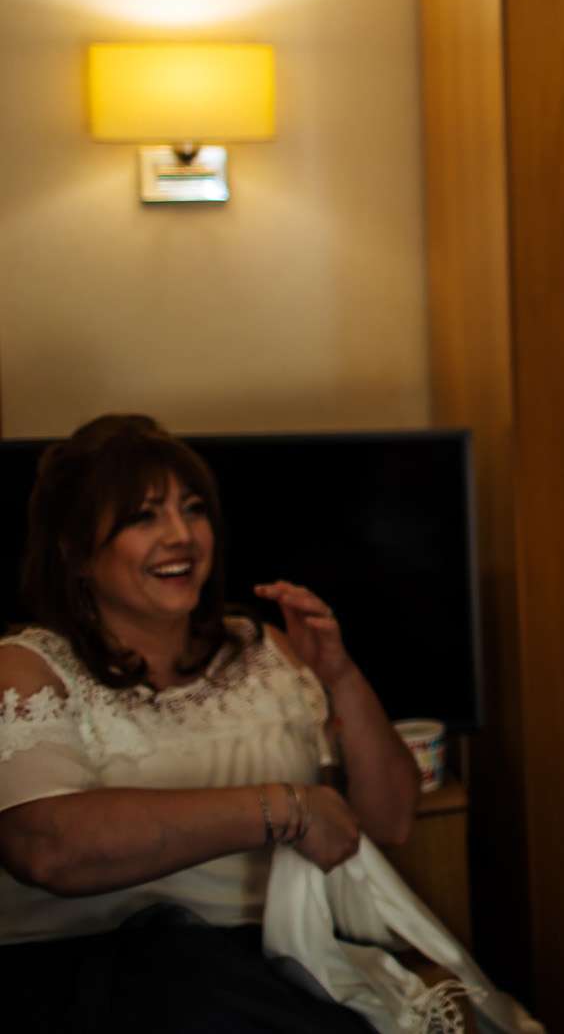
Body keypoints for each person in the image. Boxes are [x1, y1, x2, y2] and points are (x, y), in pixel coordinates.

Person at [0, 413, 421, 1031]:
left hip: (277, 961)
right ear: (75, 551)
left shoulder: (263, 648)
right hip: (96, 981)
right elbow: (48, 849)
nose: (182, 536)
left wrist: (342, 677)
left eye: (193, 510)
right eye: (144, 517)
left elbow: (391, 820)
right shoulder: (26, 669)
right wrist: (286, 807)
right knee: (176, 967)